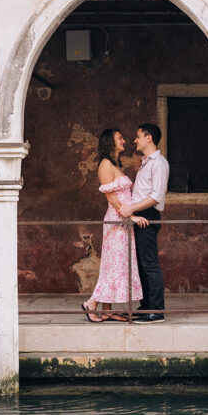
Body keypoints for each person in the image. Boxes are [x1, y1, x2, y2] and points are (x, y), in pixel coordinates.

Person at [82, 128, 144, 323]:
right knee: (113, 266)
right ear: (111, 142)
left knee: (116, 265)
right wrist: (130, 216)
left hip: (122, 221)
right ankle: (91, 303)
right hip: (117, 220)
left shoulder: (114, 164)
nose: (124, 141)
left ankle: (107, 310)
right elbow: (111, 197)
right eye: (120, 138)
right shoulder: (105, 164)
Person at [118, 123, 169, 323]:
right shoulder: (146, 162)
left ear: (149, 138)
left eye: (138, 136)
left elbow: (156, 196)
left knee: (149, 264)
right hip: (140, 214)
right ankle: (146, 306)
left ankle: (156, 310)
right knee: (140, 263)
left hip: (148, 214)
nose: (134, 140)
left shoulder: (159, 163)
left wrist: (131, 209)